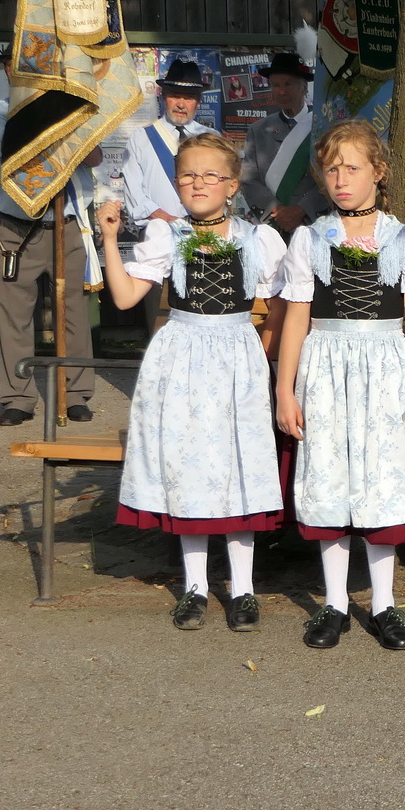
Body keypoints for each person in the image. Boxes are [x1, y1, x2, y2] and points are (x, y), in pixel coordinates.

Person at [275, 122, 405, 650]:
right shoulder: (309, 239)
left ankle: (383, 604)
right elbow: (296, 318)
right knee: (330, 478)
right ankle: (335, 603)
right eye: (332, 169)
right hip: (326, 370)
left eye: (352, 168)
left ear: (378, 172)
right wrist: (285, 390)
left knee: (381, 482)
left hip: (386, 371)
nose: (340, 179)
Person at [96, 134, 288, 631]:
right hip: (180, 358)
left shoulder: (258, 238)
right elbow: (124, 297)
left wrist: (263, 352)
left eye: (210, 175)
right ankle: (195, 587)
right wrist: (109, 239)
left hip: (238, 358)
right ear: (177, 183)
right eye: (188, 175)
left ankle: (243, 589)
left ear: (232, 185)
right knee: (188, 467)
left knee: (239, 465)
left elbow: (282, 304)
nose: (198, 184)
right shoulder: (167, 235)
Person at [0, 55, 100, 425]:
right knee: (14, 316)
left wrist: (66, 117)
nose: (24, 72)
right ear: (7, 70)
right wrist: (50, 123)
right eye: (14, 66)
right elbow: (6, 147)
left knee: (73, 313)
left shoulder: (71, 108)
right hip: (16, 227)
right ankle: (18, 398)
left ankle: (75, 393)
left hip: (66, 222)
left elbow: (94, 155)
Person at [119, 59, 219, 227]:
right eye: (175, 96)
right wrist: (168, 220)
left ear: (198, 102)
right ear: (163, 96)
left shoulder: (212, 138)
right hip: (157, 231)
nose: (181, 104)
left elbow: (220, 187)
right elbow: (133, 190)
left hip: (205, 230)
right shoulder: (141, 138)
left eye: (188, 98)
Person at [239, 51, 326, 235]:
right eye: (275, 85)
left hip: (313, 224)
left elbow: (331, 177)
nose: (281, 91)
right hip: (272, 225)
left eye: (288, 84)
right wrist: (276, 211)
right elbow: (248, 179)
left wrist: (302, 209)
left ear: (304, 88)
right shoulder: (258, 130)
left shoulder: (323, 126)